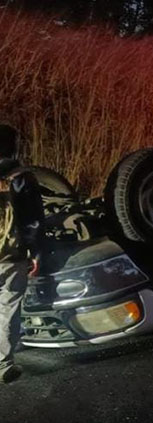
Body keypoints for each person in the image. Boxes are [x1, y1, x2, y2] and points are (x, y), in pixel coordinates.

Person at [0, 124, 44, 384]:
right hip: (9, 255)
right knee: (8, 306)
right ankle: (3, 363)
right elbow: (33, 220)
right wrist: (36, 252)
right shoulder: (22, 177)